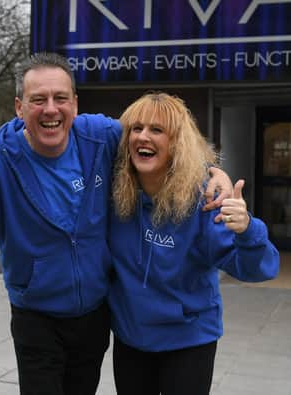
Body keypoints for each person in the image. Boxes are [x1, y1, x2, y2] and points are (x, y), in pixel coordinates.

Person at [0, 53, 233, 395]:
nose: (50, 109)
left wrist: (213, 173)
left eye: (60, 98)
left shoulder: (99, 136)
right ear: (19, 107)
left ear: (75, 104)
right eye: (38, 100)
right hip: (37, 317)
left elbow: (163, 144)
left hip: (94, 315)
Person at [108, 93, 280, 395]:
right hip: (131, 338)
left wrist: (247, 230)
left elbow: (259, 269)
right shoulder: (113, 191)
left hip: (188, 341)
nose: (143, 137)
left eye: (157, 130)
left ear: (177, 143)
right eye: (136, 128)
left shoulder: (205, 199)